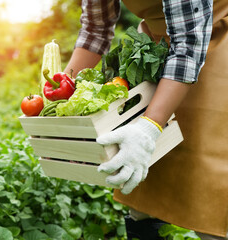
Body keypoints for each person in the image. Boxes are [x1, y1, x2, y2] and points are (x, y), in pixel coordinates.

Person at [64, 0, 228, 239]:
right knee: (142, 191)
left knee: (209, 196)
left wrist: (148, 128)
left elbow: (187, 44)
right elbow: (95, 30)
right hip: (154, 50)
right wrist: (61, 88)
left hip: (214, 40)